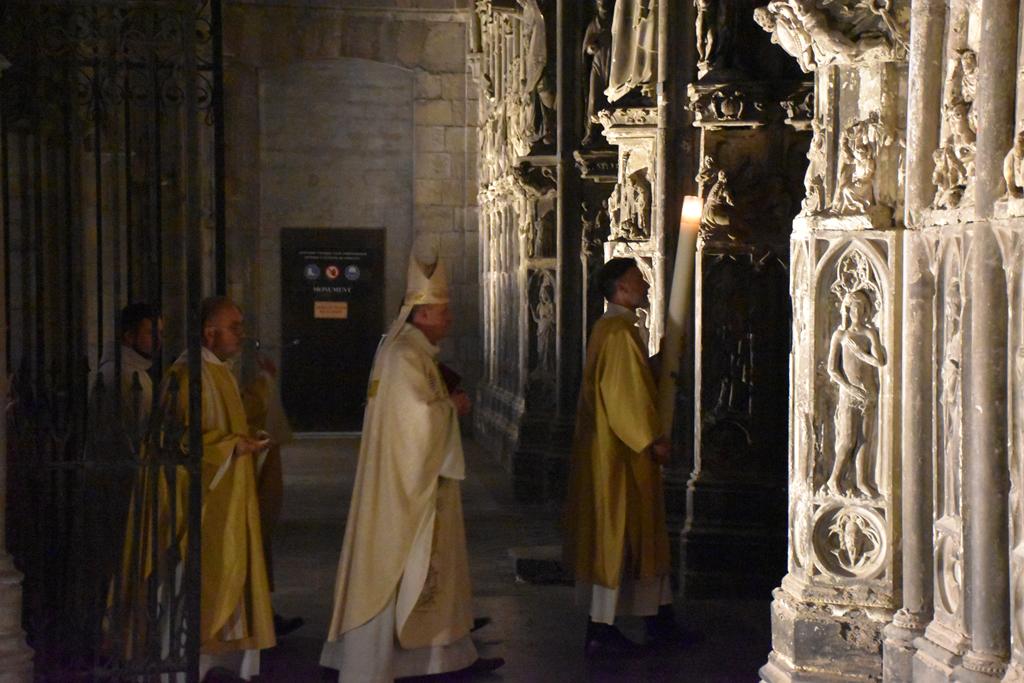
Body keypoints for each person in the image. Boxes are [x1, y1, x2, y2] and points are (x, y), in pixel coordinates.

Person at [320, 244, 503, 682]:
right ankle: (386, 661)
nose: (449, 318)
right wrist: (451, 406)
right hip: (406, 489)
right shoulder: (404, 356)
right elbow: (416, 424)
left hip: (410, 483)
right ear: (421, 313)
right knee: (398, 569)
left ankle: (448, 658)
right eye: (443, 311)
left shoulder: (405, 350)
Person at [564, 257, 680, 657]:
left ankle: (659, 618)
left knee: (643, 538)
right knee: (618, 538)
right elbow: (622, 395)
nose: (645, 285)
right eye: (638, 280)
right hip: (620, 456)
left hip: (618, 450)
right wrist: (652, 439)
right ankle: (602, 628)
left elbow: (624, 380)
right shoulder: (618, 333)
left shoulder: (614, 329)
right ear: (621, 289)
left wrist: (658, 364)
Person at [163, 296, 275, 680]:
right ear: (209, 333)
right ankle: (192, 659)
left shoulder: (220, 371)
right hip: (203, 503)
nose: (242, 334)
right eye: (235, 327)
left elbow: (227, 425)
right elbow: (174, 441)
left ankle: (225, 660)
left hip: (230, 496)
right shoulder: (185, 375)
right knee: (202, 577)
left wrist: (245, 440)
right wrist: (230, 447)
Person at [240, 351, 304, 638]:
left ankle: (262, 614)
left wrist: (265, 381)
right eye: (233, 327)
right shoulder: (199, 373)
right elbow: (239, 412)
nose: (239, 334)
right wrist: (264, 384)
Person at [94, 302, 162, 439]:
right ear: (130, 336)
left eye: (161, 333)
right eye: (151, 333)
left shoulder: (131, 369)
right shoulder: (125, 375)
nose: (158, 340)